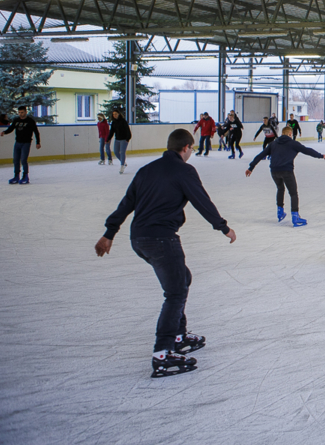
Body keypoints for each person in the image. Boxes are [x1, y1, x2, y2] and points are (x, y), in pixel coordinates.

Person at [95, 129, 237, 378]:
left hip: (139, 239)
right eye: (192, 148)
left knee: (182, 279)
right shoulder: (184, 170)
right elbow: (201, 200)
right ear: (186, 147)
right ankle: (163, 353)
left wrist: (109, 233)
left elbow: (127, 203)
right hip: (161, 239)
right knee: (175, 293)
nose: (191, 152)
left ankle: (179, 336)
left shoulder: (147, 170)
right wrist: (223, 227)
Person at [246, 126, 325, 226]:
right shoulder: (293, 143)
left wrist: (251, 167)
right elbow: (307, 150)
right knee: (293, 193)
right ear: (290, 134)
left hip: (274, 171)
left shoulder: (273, 143)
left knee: (280, 188)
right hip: (287, 171)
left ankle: (280, 212)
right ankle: (295, 217)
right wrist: (320, 155)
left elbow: (261, 155)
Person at [0, 106, 41, 184]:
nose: (20, 114)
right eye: (19, 112)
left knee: (23, 160)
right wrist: (4, 132)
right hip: (18, 142)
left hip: (26, 143)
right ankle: (16, 176)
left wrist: (38, 142)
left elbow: (36, 132)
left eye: (22, 112)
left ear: (25, 112)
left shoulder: (30, 121)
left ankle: (25, 176)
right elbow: (11, 128)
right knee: (16, 159)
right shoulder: (16, 120)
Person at [108, 109, 132, 174]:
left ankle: (122, 165)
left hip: (124, 139)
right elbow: (112, 131)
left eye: (116, 114)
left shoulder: (123, 121)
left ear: (118, 114)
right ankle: (123, 162)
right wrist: (108, 139)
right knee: (116, 152)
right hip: (117, 139)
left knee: (122, 152)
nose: (114, 115)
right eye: (113, 114)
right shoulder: (114, 122)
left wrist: (128, 138)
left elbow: (127, 130)